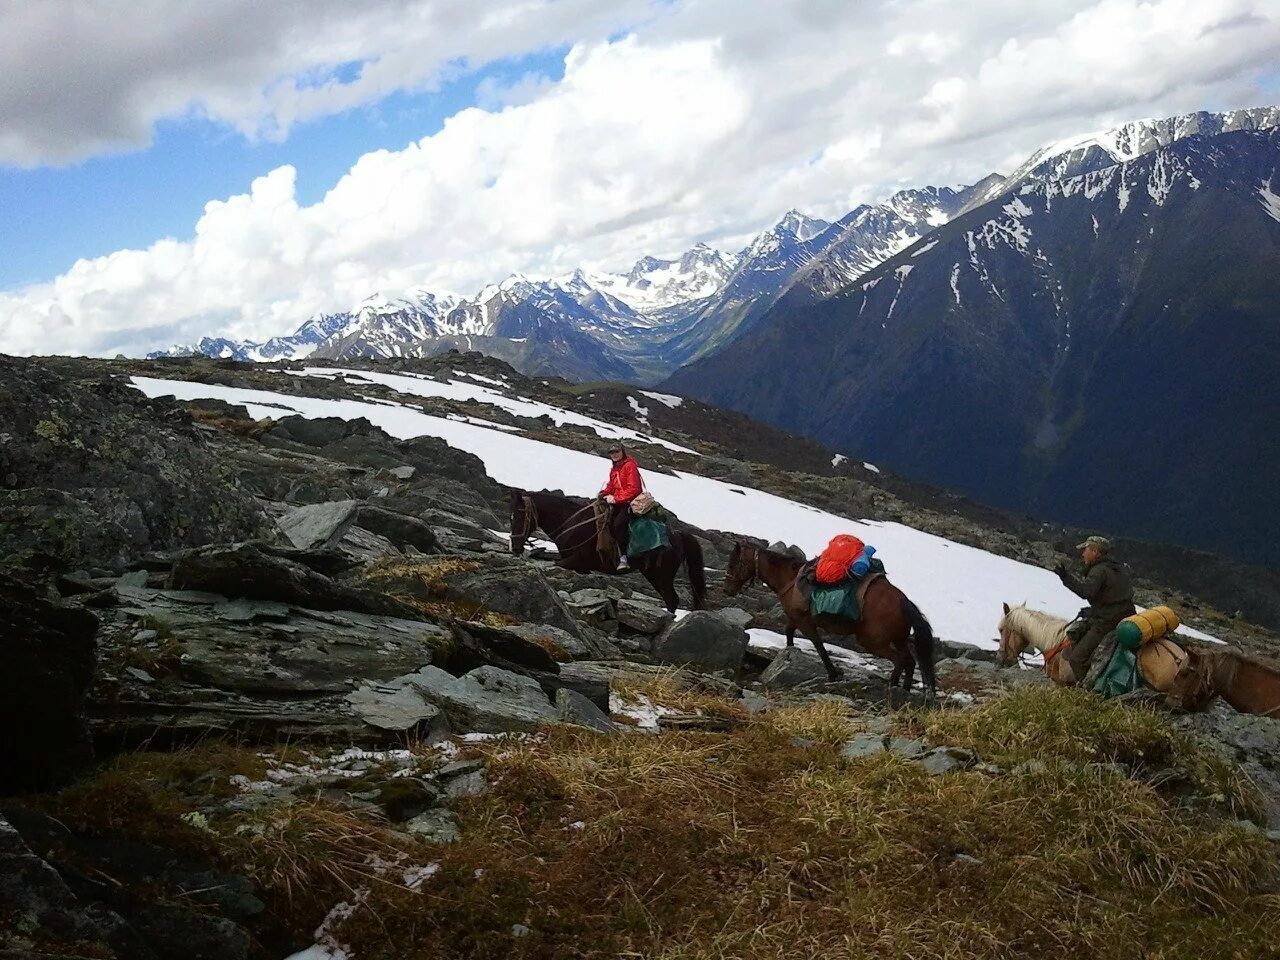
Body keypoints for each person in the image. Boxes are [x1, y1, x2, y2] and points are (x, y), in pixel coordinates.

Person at [1053, 536, 1136, 683]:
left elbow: (1087, 591)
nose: (1083, 554)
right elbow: (1112, 598)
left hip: (1107, 622)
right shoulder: (1118, 569)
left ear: (1095, 551)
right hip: (1128, 616)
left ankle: (1088, 689)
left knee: (1076, 658)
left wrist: (1066, 577)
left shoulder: (1099, 570)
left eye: (1086, 550)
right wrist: (1093, 610)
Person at [599, 443, 643, 567]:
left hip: (630, 502)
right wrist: (603, 494)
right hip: (618, 502)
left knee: (618, 525)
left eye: (616, 452)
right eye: (612, 453)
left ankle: (624, 557)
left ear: (622, 452)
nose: (614, 455)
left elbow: (634, 488)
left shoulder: (630, 466)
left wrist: (616, 499)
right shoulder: (614, 469)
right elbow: (612, 486)